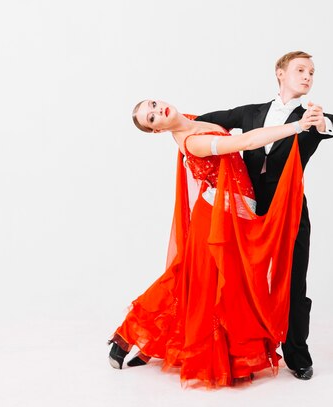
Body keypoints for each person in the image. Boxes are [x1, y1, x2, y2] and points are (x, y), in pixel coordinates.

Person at [108, 99, 319, 387]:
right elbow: (245, 141)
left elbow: (237, 121)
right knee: (193, 282)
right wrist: (296, 126)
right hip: (216, 218)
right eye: (153, 118)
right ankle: (131, 335)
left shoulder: (195, 119)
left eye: (154, 105)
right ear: (157, 131)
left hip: (234, 216)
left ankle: (150, 341)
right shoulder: (192, 142)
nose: (159, 111)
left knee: (205, 283)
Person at [195, 51, 333, 380]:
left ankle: (296, 352)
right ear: (280, 73)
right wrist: (178, 129)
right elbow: (205, 119)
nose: (307, 76)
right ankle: (237, 347)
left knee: (293, 279)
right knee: (235, 279)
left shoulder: (310, 118)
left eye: (312, 72)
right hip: (244, 212)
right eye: (300, 69)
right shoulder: (251, 113)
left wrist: (325, 124)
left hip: (289, 211)